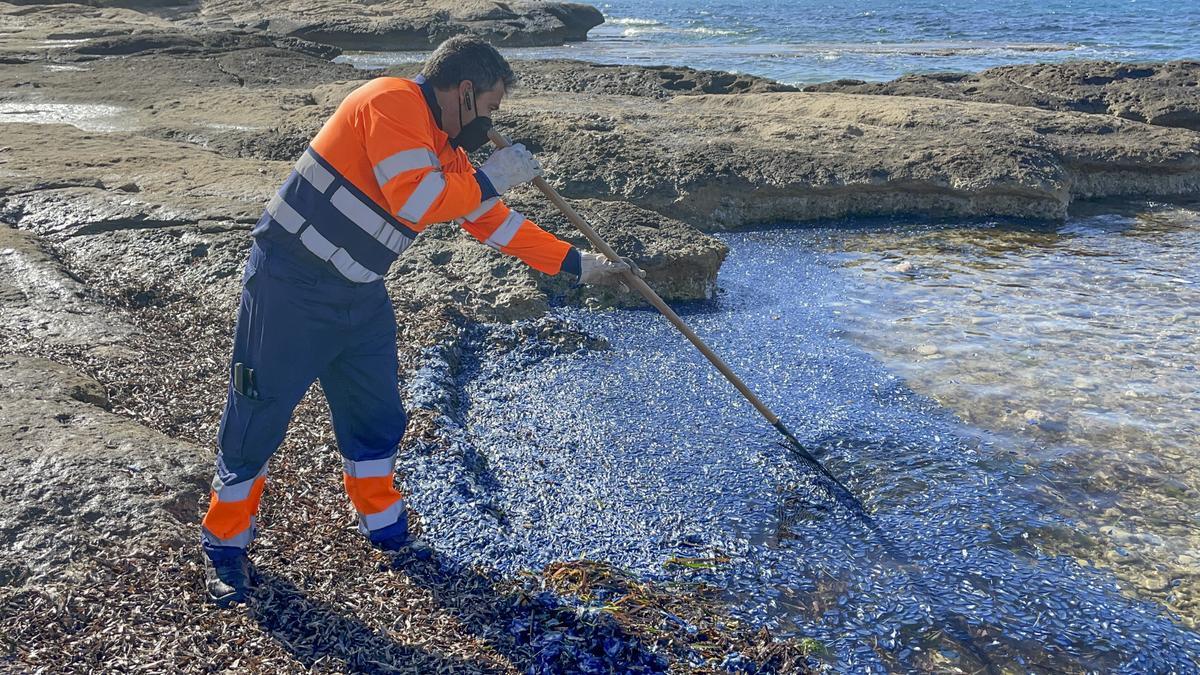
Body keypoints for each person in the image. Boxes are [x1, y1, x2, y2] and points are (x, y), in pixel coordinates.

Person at [201, 35, 639, 605]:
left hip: (359, 294)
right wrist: (493, 176)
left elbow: (494, 224)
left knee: (378, 415)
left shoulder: (446, 150)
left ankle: (383, 525)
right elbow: (418, 201)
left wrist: (581, 266)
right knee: (259, 412)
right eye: (490, 108)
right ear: (463, 91)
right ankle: (225, 547)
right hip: (290, 285)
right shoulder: (391, 102)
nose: (491, 122)